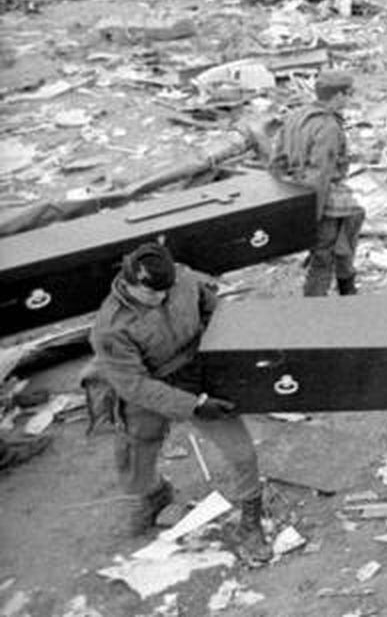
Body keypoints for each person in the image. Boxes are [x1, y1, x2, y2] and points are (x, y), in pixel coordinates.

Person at [82, 243, 270, 559]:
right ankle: (154, 494)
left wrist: (221, 353)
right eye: (152, 294)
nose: (162, 298)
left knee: (242, 454)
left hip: (198, 366)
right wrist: (192, 405)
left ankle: (251, 519)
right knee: (135, 452)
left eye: (166, 291)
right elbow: (134, 385)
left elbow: (212, 307)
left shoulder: (182, 279)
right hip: (151, 381)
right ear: (128, 283)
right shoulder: (110, 328)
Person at [272, 70, 363, 297]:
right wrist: (312, 215)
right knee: (325, 257)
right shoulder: (329, 126)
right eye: (348, 94)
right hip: (324, 201)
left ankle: (347, 292)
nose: (349, 100)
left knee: (339, 247)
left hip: (298, 192)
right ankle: (317, 308)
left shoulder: (295, 116)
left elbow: (276, 163)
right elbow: (320, 175)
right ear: (338, 95)